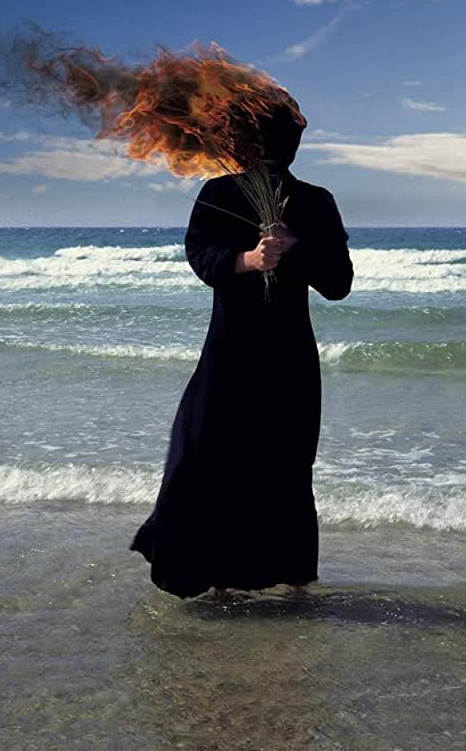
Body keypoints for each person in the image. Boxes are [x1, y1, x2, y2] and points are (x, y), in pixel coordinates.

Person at [129, 103, 354, 600]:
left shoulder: (315, 201)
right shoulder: (219, 193)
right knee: (211, 453)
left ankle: (295, 580)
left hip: (289, 355)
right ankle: (217, 580)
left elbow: (339, 282)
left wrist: (296, 247)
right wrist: (248, 260)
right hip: (231, 350)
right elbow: (200, 255)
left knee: (287, 462)